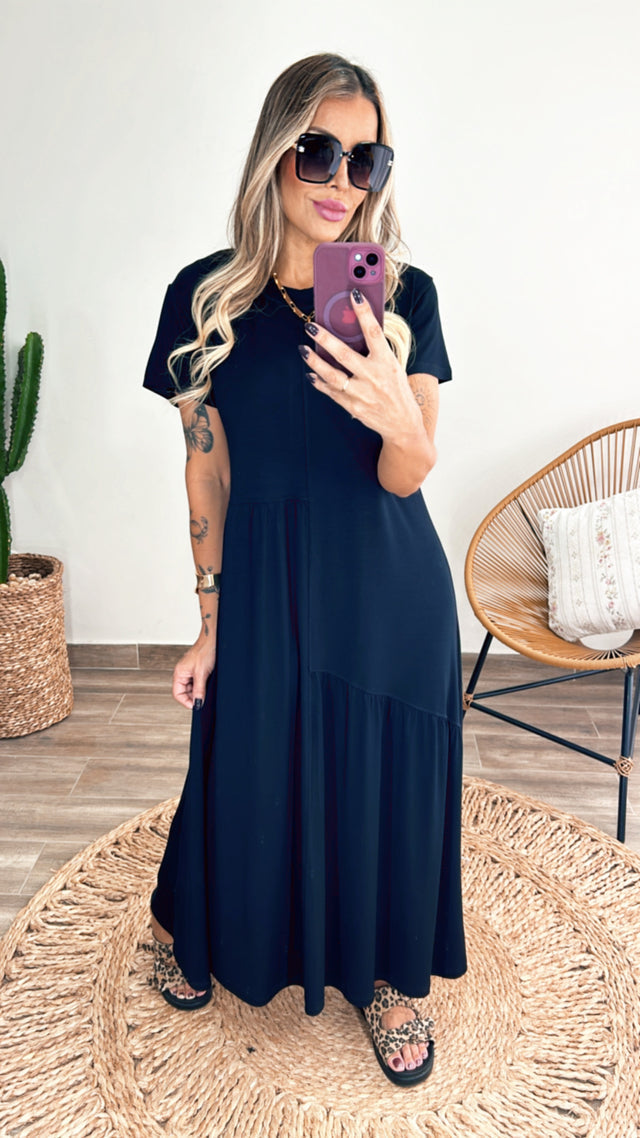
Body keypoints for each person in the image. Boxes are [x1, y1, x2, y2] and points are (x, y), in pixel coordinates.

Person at [142, 52, 467, 1087]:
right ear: (274, 152)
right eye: (317, 152)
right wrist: (210, 621)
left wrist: (393, 407)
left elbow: (410, 472)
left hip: (386, 592)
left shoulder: (402, 295)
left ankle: (386, 978)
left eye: (365, 160)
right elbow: (207, 468)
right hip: (268, 587)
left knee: (380, 788)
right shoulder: (203, 297)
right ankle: (217, 927)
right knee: (246, 762)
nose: (340, 180)